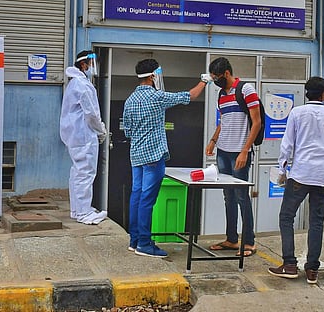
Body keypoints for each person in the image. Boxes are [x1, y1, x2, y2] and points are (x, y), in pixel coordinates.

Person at [123, 58, 210, 258]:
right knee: (147, 199)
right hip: (153, 156)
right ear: (153, 76)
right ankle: (144, 244)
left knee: (136, 196)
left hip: (136, 155)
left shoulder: (129, 100)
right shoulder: (157, 97)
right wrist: (204, 81)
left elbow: (127, 131)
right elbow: (189, 96)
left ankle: (135, 240)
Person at [268, 76, 324, 284]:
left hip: (300, 175)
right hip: (322, 177)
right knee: (316, 222)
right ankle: (312, 270)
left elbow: (287, 145)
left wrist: (282, 168)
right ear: (323, 94)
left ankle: (290, 264)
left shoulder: (297, 113)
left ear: (307, 93)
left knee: (286, 217)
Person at [206, 57, 261, 257]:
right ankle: (231, 239)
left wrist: (245, 150)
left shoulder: (246, 90)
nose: (215, 81)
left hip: (240, 151)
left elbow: (256, 122)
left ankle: (249, 242)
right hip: (223, 151)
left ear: (227, 73)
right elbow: (224, 120)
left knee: (241, 196)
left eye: (217, 77)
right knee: (228, 196)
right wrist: (213, 140)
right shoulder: (221, 94)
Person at [60, 50, 108, 225]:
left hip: (75, 136)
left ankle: (77, 210)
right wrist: (101, 130)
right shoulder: (83, 85)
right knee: (85, 173)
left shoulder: (74, 83)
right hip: (84, 135)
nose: (94, 68)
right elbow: (92, 114)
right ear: (83, 65)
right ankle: (84, 213)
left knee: (77, 172)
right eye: (91, 64)